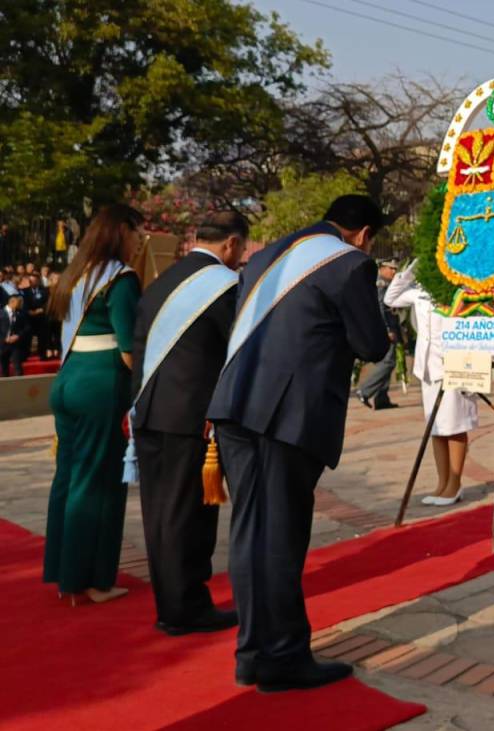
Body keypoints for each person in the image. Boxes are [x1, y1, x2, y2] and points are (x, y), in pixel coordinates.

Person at [207, 195, 388, 692]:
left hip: (235, 404)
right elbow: (373, 345)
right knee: (281, 535)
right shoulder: (349, 263)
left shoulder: (266, 256)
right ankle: (282, 656)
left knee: (249, 532)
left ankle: (252, 651)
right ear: (364, 233)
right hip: (284, 415)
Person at [131, 212, 247, 636]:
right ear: (232, 244)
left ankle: (171, 603)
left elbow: (139, 347)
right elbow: (237, 347)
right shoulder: (224, 286)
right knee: (188, 515)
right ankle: (187, 608)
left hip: (148, 409)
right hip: (190, 416)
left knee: (159, 513)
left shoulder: (161, 280)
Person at [43, 204, 143, 604]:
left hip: (68, 379)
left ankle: (65, 570)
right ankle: (90, 579)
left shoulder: (76, 274)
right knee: (97, 482)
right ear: (121, 232)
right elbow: (128, 348)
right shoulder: (120, 279)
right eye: (137, 234)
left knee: (68, 477)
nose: (139, 243)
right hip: (101, 383)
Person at [384, 260, 479, 506]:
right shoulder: (421, 293)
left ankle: (455, 483)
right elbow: (390, 298)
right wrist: (414, 266)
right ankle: (442, 482)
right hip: (428, 368)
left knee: (455, 425)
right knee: (436, 428)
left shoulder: (459, 291)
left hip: (454, 366)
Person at [354, 259, 404, 410]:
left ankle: (382, 398)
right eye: (391, 268)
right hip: (384, 329)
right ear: (382, 268)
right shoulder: (380, 284)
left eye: (396, 269)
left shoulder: (386, 283)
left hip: (391, 328)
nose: (393, 272)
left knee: (388, 360)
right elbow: (380, 308)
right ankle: (365, 390)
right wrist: (387, 329)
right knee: (388, 362)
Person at [21, 272, 49, 360]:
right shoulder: (25, 291)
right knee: (27, 337)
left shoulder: (44, 290)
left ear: (38, 281)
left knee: (42, 337)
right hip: (29, 318)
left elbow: (48, 302)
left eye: (34, 281)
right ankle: (25, 355)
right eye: (30, 281)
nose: (32, 282)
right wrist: (29, 311)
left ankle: (42, 355)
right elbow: (22, 303)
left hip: (41, 317)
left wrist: (41, 309)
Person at [1, 292, 28, 376]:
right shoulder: (1, 313)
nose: (20, 304)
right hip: (2, 345)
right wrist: (4, 338)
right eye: (18, 302)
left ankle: (19, 387)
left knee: (17, 367)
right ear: (11, 302)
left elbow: (27, 327)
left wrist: (18, 336)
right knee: (4, 368)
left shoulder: (20, 314)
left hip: (15, 345)